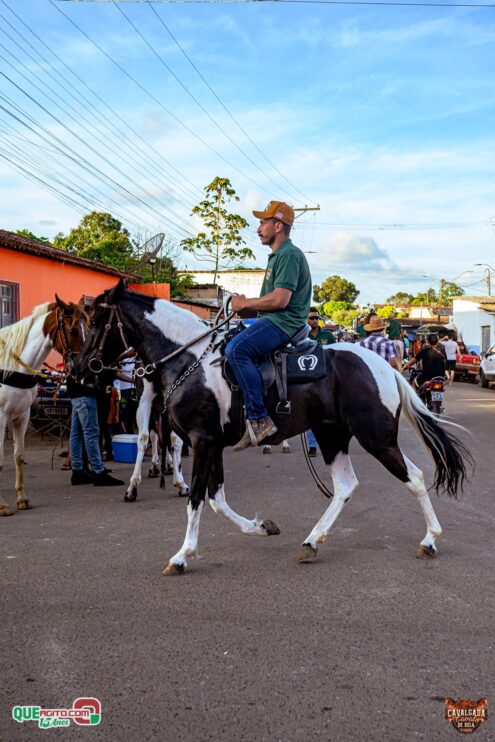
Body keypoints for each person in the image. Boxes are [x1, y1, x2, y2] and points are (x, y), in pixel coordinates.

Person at [226, 201, 312, 451]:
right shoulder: (278, 256)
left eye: (263, 222)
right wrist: (244, 307)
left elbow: (280, 300)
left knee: (236, 350)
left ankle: (258, 418)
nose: (258, 228)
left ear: (278, 225)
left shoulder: (288, 254)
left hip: (284, 322)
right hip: (273, 319)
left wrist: (246, 303)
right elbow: (268, 302)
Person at [67, 376, 124, 487]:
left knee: (76, 434)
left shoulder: (72, 359)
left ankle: (77, 471)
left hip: (74, 392)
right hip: (86, 392)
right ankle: (98, 472)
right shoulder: (86, 358)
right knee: (91, 433)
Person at [306, 308, 335, 456]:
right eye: (311, 318)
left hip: (327, 377)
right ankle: (312, 446)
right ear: (306, 320)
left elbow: (335, 353)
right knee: (311, 412)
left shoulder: (328, 335)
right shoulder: (302, 336)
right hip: (309, 378)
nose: (315, 320)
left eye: (316, 318)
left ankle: (330, 443)